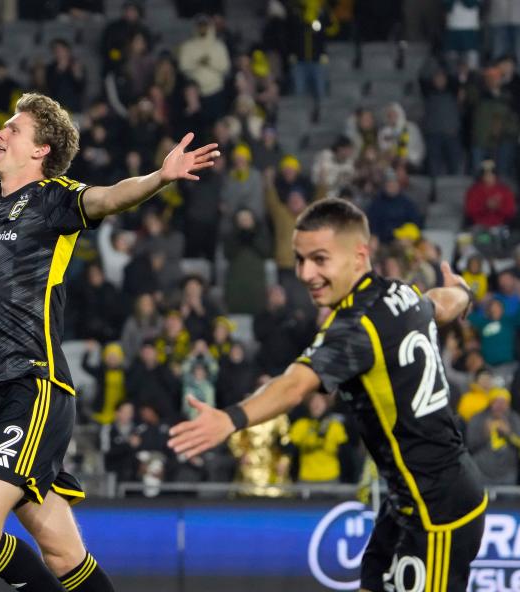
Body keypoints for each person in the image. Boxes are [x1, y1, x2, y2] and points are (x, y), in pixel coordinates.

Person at [0, 92, 219, 591]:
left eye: (13, 129)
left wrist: (159, 178)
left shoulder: (54, 200)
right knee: (62, 550)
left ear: (40, 150)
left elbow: (110, 196)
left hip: (34, 387)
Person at [169, 198, 486, 591]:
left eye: (320, 259)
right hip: (409, 496)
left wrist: (231, 418)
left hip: (436, 505)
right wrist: (465, 294)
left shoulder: (356, 326)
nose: (306, 273)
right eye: (300, 260)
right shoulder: (400, 293)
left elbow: (295, 384)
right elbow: (441, 303)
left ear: (359, 256)